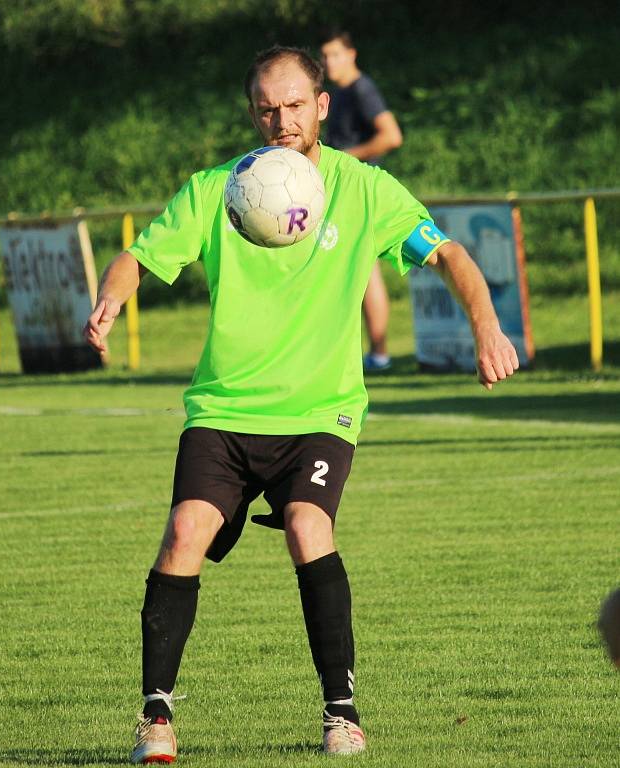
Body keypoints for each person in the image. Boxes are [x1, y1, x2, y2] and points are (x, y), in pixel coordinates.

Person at [84, 45, 519, 764]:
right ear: (251, 111)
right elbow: (139, 255)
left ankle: (341, 714)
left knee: (307, 526)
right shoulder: (219, 189)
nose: (280, 120)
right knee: (184, 534)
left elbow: (449, 255)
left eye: (293, 105)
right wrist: (110, 296)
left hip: (321, 410)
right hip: (224, 408)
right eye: (265, 107)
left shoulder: (366, 189)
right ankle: (156, 720)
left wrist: (488, 327)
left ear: (322, 106)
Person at [320, 29, 403, 372]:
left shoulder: (361, 89)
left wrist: (345, 158)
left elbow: (391, 135)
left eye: (335, 55)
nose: (328, 62)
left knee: (366, 271)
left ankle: (380, 354)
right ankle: (357, 353)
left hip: (358, 190)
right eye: (324, 56)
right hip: (337, 190)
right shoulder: (337, 93)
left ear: (352, 54)